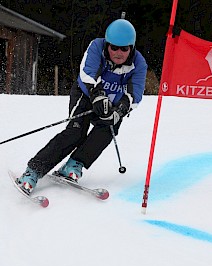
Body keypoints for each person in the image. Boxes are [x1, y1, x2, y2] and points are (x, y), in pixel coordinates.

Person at [17, 18, 148, 194]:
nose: (118, 52)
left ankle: (74, 164)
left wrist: (121, 110)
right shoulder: (96, 47)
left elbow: (135, 93)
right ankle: (32, 171)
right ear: (107, 45)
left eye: (124, 48)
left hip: (111, 104)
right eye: (114, 47)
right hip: (85, 96)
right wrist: (97, 95)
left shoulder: (138, 63)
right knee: (75, 133)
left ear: (131, 48)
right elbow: (87, 73)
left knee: (108, 130)